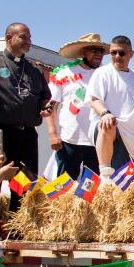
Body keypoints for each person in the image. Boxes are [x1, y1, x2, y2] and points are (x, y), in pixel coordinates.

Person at [0, 23, 52, 209]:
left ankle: (17, 229)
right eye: (23, 37)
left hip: (26, 135)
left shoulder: (34, 70)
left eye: (29, 37)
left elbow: (45, 96)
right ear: (8, 38)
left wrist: (46, 107)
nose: (28, 41)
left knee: (23, 183)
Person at [87, 35, 134, 183]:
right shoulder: (102, 73)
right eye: (113, 52)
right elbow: (94, 100)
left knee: (123, 183)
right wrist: (105, 114)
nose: (117, 56)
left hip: (132, 136)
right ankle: (104, 173)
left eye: (121, 53)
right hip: (108, 129)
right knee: (108, 124)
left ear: (131, 54)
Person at [46, 33, 109, 177]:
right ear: (83, 51)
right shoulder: (64, 73)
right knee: (64, 189)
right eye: (93, 50)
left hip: (97, 141)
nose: (98, 54)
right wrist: (53, 134)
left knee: (92, 192)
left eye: (101, 51)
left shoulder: (107, 75)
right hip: (69, 140)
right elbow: (51, 106)